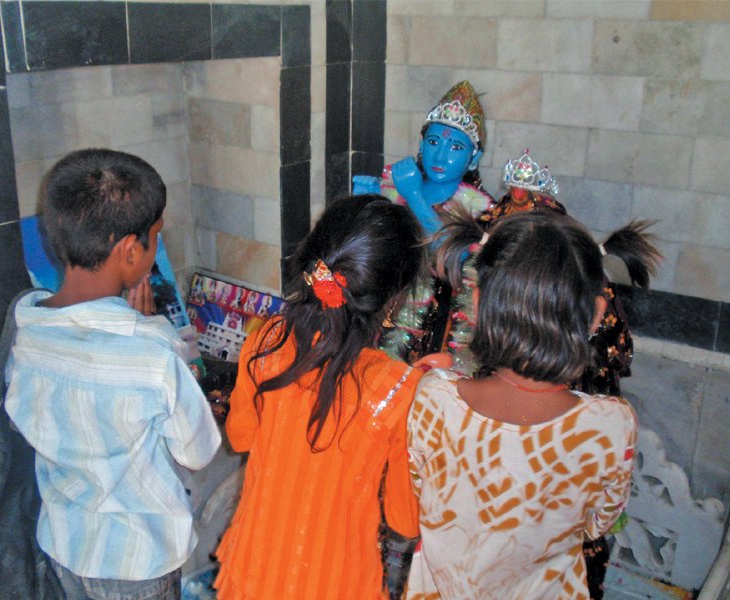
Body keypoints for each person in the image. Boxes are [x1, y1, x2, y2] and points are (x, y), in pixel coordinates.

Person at [5, 149, 222, 600]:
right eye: (155, 239)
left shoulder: (25, 335)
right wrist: (149, 331)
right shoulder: (152, 353)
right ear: (130, 251)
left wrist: (128, 323)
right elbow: (198, 451)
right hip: (139, 558)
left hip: (64, 545)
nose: (156, 250)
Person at [405, 209, 642, 600]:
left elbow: (420, 487)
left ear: (477, 304)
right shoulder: (611, 424)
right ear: (595, 315)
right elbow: (599, 522)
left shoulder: (434, 398)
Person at [214, 195, 426, 600]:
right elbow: (405, 519)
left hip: (254, 568)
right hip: (337, 583)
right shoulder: (398, 388)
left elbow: (240, 436)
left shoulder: (267, 338)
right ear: (394, 298)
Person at [354, 81, 493, 373]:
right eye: (433, 142)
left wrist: (415, 195)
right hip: (385, 306)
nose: (440, 156)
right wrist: (366, 207)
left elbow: (454, 259)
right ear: (420, 144)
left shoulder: (479, 210)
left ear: (474, 157)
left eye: (455, 147)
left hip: (436, 323)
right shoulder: (396, 189)